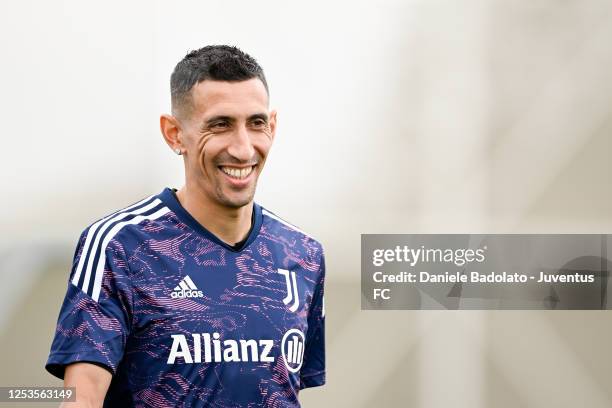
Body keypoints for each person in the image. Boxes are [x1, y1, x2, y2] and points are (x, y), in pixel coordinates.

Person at [46, 45, 326, 407]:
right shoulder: (120, 246)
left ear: (272, 126)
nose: (243, 149)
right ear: (174, 133)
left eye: (256, 123)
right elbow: (81, 400)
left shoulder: (303, 255)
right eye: (220, 125)